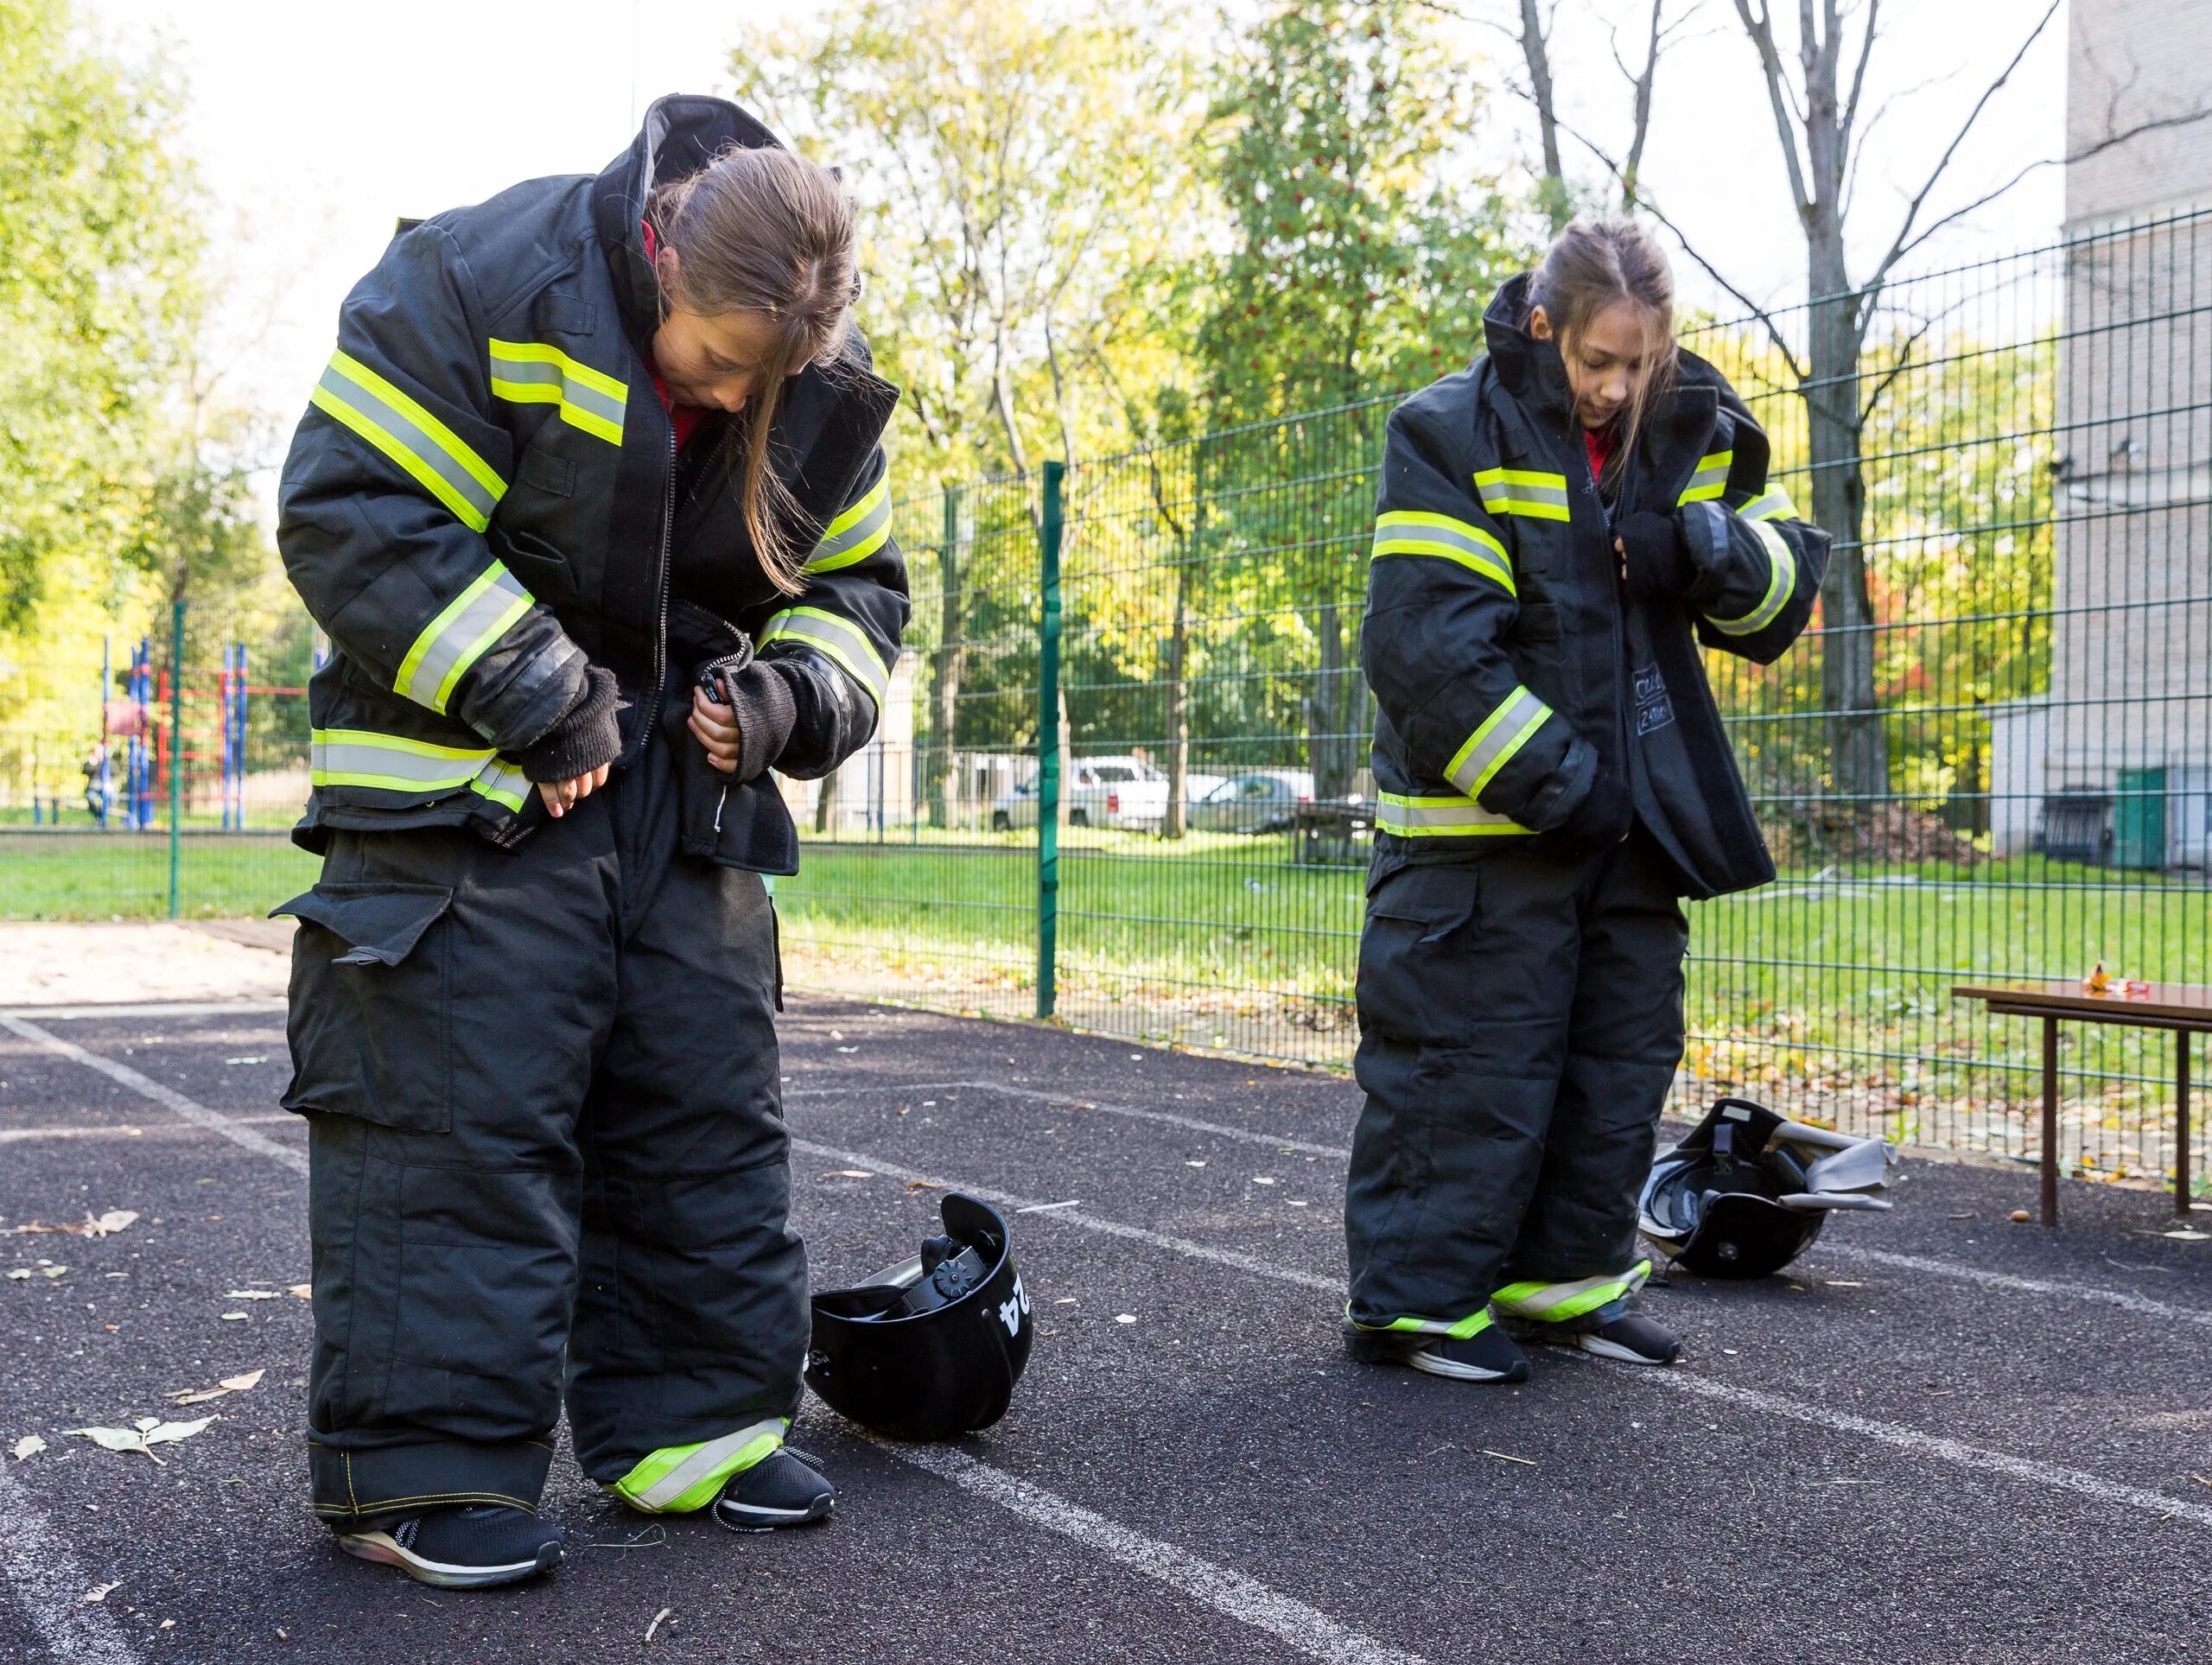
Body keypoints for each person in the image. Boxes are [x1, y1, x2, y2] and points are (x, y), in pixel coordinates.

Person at [271, 94, 906, 1586]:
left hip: (681, 791)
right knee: (454, 1120)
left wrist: (789, 698)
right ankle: (417, 1480)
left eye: (774, 378)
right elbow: (352, 510)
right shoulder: (485, 278)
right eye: (722, 362)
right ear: (663, 246)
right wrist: (539, 693)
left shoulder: (819, 370)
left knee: (700, 1108)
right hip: (463, 785)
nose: (743, 397)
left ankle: (700, 1431)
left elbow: (863, 591)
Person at [1341, 217, 1828, 1383]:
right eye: (1597, 361)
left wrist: (1702, 547)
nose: (1617, 388)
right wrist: (1568, 787)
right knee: (1469, 1074)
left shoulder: (1694, 425)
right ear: (1545, 324)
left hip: (1630, 832)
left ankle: (1565, 1285)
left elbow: (1779, 597)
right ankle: (1414, 1308)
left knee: (1614, 1069)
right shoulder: (1446, 428)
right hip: (1485, 838)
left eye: (1640, 362)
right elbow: (1427, 657)